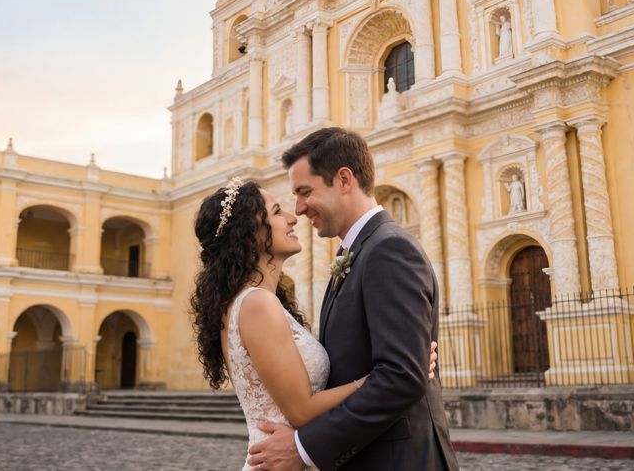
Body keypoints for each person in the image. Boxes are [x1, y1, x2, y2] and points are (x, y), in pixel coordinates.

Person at [191, 174, 439, 471]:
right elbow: (302, 410)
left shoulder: (251, 301)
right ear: (250, 232)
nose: (292, 217)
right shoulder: (257, 304)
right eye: (277, 211)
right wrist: (390, 375)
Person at [248, 126, 458, 470]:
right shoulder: (359, 251)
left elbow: (401, 377)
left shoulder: (389, 249)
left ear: (344, 180)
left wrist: (304, 447)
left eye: (304, 192)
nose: (298, 209)